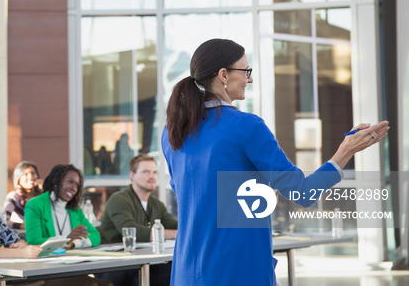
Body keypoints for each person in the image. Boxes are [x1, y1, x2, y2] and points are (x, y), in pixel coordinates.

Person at [162, 38, 390, 286]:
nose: (249, 79)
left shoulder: (173, 131)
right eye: (245, 71)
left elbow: (187, 193)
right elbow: (302, 191)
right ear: (223, 75)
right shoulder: (246, 126)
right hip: (237, 270)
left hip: (187, 272)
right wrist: (346, 151)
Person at [97, 154, 177, 286]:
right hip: (116, 266)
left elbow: (175, 225)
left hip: (141, 263)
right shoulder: (119, 199)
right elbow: (132, 232)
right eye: (146, 172)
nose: (152, 176)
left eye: (154, 172)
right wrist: (175, 234)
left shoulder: (155, 204)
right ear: (132, 175)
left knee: (174, 269)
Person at [24, 164, 100, 249]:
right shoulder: (35, 204)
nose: (74, 188)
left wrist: (74, 243)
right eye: (70, 182)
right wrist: (66, 240)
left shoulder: (75, 210)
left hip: (72, 259)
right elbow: (34, 241)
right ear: (55, 180)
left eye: (77, 186)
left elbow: (95, 236)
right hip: (47, 260)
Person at [3, 161, 42, 229]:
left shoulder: (42, 196)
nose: (30, 177)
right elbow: (3, 221)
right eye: (26, 174)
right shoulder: (14, 197)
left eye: (33, 173)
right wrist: (19, 225)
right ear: (18, 179)